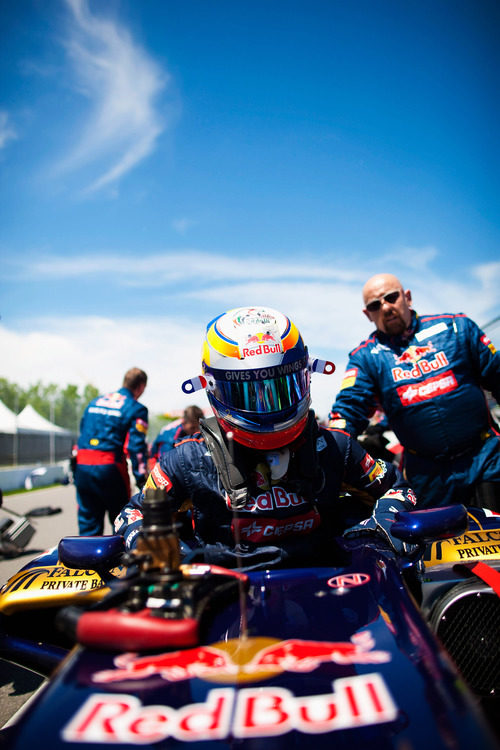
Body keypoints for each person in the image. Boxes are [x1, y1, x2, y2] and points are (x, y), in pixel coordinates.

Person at [115, 306, 416, 570]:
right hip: (228, 603)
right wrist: (151, 545)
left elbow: (399, 490)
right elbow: (132, 513)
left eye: (281, 388)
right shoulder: (189, 460)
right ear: (214, 389)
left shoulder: (336, 447)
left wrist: (387, 519)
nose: (268, 408)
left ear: (306, 377)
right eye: (251, 393)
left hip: (328, 594)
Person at [329, 273, 500, 509]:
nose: (386, 307)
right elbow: (348, 411)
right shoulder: (366, 358)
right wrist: (329, 450)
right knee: (434, 544)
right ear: (368, 314)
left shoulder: (455, 327)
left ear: (407, 297)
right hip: (427, 476)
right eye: (375, 305)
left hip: (486, 458)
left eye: (391, 297)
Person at [75, 367, 149, 536]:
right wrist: (142, 479)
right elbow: (136, 447)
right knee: (122, 522)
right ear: (141, 387)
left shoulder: (94, 402)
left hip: (83, 466)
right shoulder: (136, 408)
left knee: (88, 526)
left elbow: (82, 432)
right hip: (110, 468)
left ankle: (89, 561)